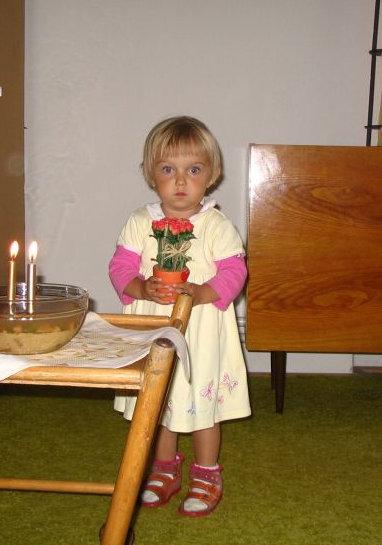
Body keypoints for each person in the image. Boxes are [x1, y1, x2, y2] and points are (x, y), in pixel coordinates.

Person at [108, 115, 251, 517]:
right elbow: (120, 267)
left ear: (213, 174)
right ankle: (165, 469)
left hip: (200, 329)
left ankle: (206, 473)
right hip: (153, 327)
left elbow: (234, 272)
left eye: (194, 170)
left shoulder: (216, 224)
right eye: (169, 170)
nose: (181, 181)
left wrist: (204, 292)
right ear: (150, 174)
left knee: (202, 406)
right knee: (159, 403)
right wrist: (140, 287)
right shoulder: (141, 221)